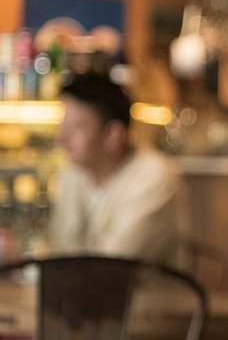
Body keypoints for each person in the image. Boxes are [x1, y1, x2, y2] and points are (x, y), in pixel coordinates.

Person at [50, 72, 181, 266]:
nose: (62, 139)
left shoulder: (154, 177)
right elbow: (61, 253)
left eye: (75, 127)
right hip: (82, 293)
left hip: (149, 295)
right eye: (62, 126)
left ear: (113, 134)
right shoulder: (74, 172)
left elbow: (114, 265)